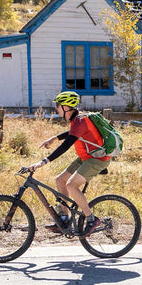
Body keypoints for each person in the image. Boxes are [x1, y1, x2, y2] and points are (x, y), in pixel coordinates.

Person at [27, 91, 110, 237]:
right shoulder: (77, 120)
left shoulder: (80, 120)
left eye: (57, 106)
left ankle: (91, 219)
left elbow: (66, 145)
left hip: (97, 159)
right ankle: (64, 219)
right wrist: (54, 138)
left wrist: (43, 162)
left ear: (66, 107)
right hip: (85, 157)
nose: (56, 109)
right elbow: (72, 133)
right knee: (60, 180)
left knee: (71, 185)